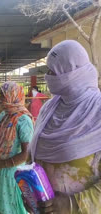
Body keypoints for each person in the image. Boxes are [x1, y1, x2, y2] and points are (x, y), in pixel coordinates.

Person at [29, 40, 101, 213]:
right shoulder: (49, 108)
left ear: (74, 72)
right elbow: (34, 152)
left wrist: (72, 204)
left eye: (54, 71)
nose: (48, 76)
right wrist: (31, 194)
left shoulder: (97, 112)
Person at [0, 81, 34, 214]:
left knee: (12, 209)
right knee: (0, 209)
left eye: (2, 96)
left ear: (13, 96)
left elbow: (26, 154)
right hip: (0, 173)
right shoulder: (4, 116)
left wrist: (2, 163)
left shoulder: (23, 120)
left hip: (13, 175)